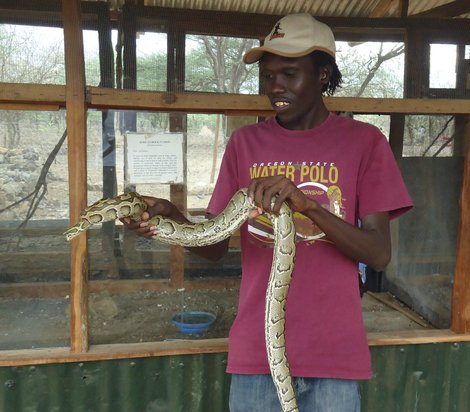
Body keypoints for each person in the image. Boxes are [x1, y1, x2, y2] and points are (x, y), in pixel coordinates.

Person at [123, 13, 413, 412]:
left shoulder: (365, 144)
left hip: (334, 358)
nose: (275, 86)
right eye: (268, 75)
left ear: (323, 74)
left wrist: (309, 207)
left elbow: (378, 253)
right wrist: (170, 219)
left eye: (289, 74)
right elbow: (215, 247)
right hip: (257, 356)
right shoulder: (246, 143)